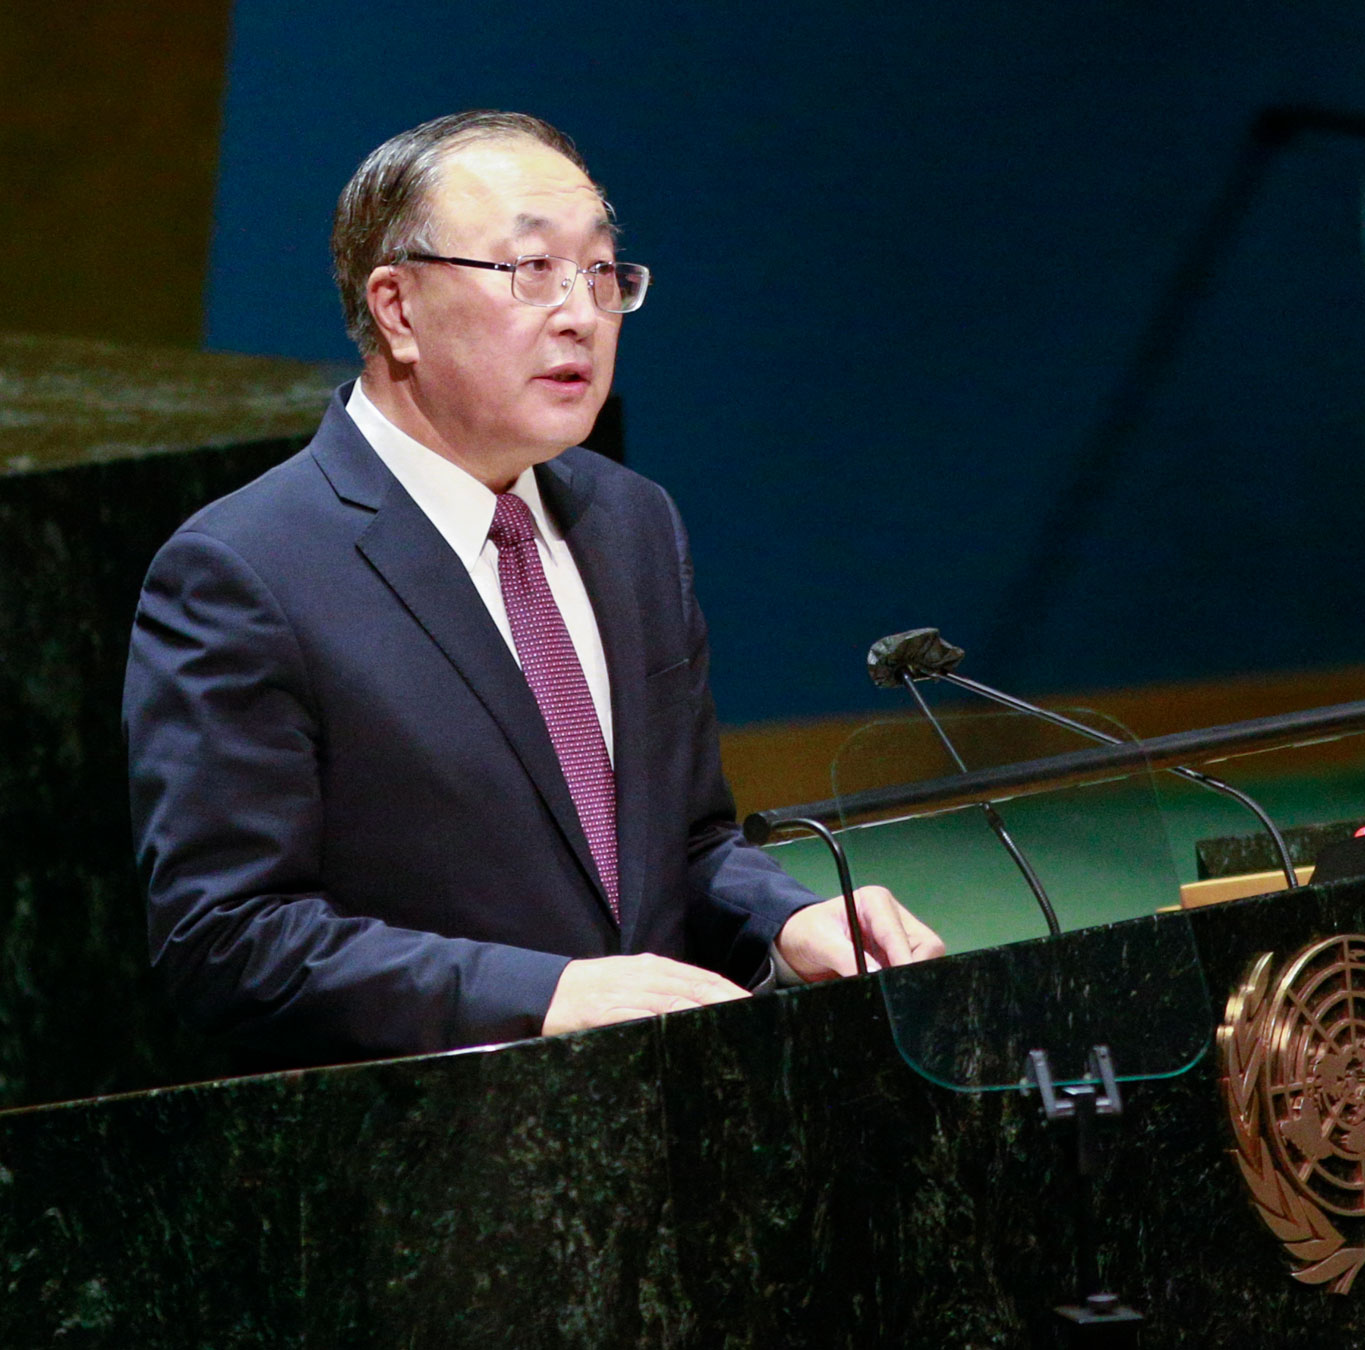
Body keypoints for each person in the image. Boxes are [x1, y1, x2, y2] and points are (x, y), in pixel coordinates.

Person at [124, 110, 942, 1062]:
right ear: (397, 309)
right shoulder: (246, 570)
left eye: (601, 273)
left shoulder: (632, 522)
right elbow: (227, 939)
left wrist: (788, 921)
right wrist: (543, 994)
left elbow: (683, 845)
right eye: (531, 271)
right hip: (427, 1151)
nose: (581, 312)